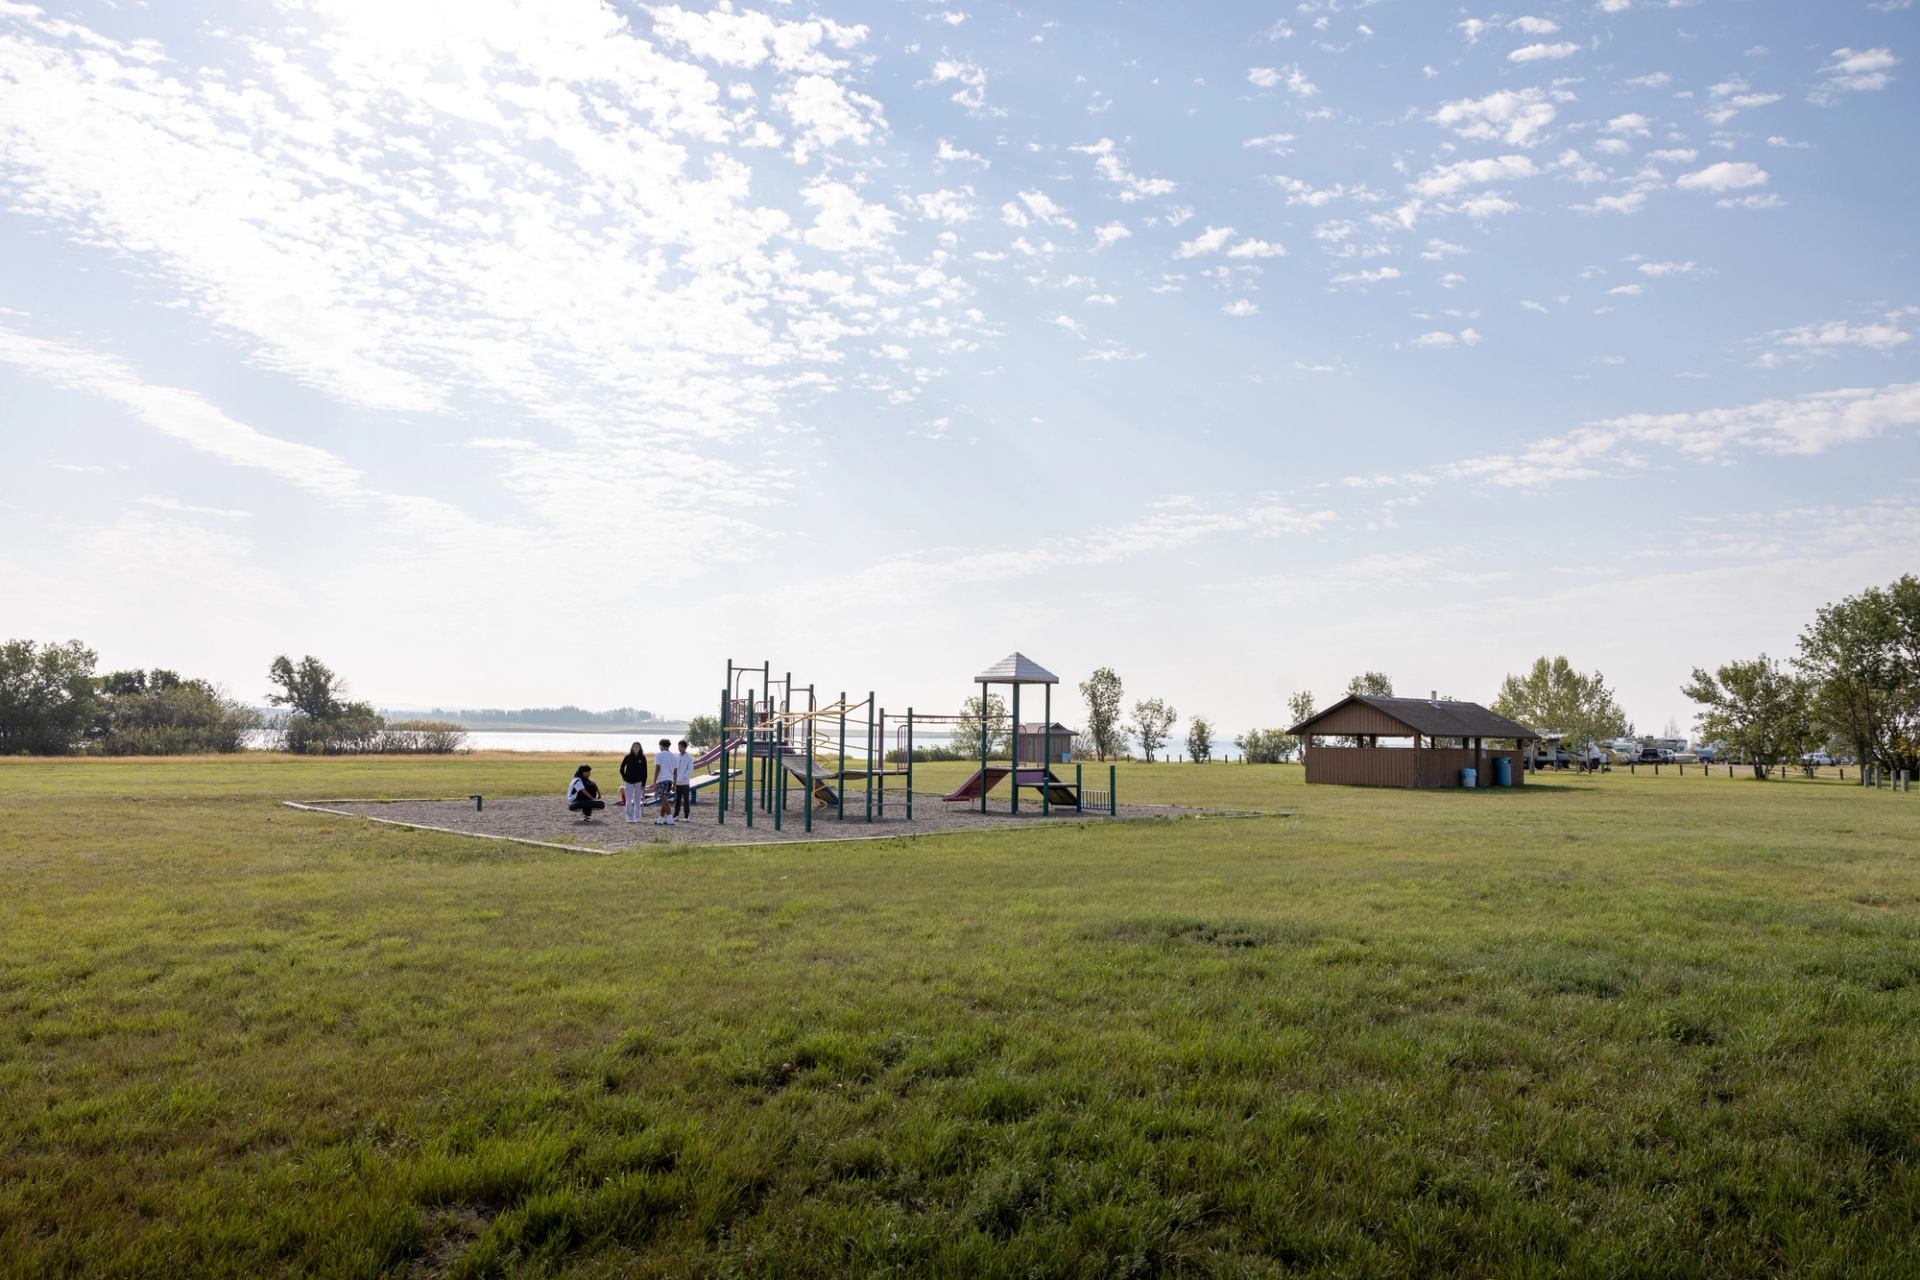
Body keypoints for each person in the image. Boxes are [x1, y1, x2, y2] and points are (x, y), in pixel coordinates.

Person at [618, 741, 648, 823]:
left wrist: (643, 784)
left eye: (637, 747)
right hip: (629, 781)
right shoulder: (628, 757)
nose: (636, 748)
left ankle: (637, 817)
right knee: (629, 799)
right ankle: (629, 817)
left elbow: (645, 772)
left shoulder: (642, 757)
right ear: (632, 748)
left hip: (639, 781)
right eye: (634, 747)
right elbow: (621, 768)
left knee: (637, 800)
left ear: (640, 748)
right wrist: (624, 777)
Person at [653, 737, 677, 826]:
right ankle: (660, 819)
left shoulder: (659, 755)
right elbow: (675, 771)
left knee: (663, 799)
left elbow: (657, 768)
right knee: (665, 799)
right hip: (670, 780)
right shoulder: (674, 756)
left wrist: (654, 781)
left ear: (661, 745)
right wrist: (674, 783)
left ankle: (670, 818)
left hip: (662, 780)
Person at [673, 737, 694, 820]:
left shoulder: (688, 757)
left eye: (681, 747)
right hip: (677, 782)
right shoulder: (676, 757)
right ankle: (676, 815)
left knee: (686, 800)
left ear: (685, 747)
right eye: (679, 747)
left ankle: (686, 815)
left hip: (685, 782)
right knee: (677, 799)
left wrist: (683, 777)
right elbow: (675, 768)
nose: (680, 748)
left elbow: (690, 769)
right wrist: (674, 779)